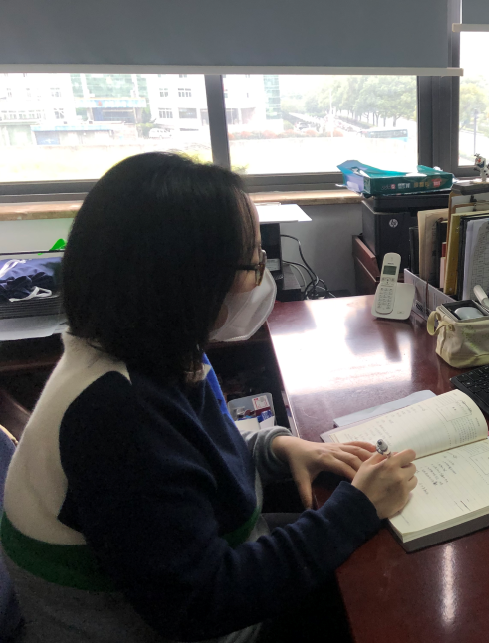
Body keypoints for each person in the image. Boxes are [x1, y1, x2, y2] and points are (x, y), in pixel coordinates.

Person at [0, 152, 418, 643]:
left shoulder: (151, 352)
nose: (261, 279)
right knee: (390, 592)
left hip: (212, 570)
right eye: (252, 263)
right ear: (188, 280)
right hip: (205, 619)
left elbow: (187, 462)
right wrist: (355, 510)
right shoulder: (114, 416)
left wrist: (277, 447)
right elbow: (203, 602)